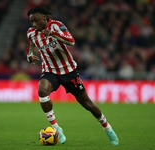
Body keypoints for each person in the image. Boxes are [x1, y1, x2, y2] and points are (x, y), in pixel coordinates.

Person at [26, 6, 119, 145]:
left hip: (69, 71)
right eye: (31, 21)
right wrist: (30, 57)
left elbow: (71, 41)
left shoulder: (58, 26)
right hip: (50, 71)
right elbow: (29, 49)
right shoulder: (31, 33)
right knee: (42, 91)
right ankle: (57, 129)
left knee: (87, 104)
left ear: (44, 17)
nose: (34, 24)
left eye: (36, 20)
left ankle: (108, 128)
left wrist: (52, 34)